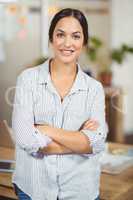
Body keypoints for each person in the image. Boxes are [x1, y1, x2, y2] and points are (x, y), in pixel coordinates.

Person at [12, 8, 107, 200]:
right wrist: (80, 142)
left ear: (84, 42)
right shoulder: (28, 79)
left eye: (76, 36)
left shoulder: (94, 89)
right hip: (34, 189)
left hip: (80, 191)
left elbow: (96, 141)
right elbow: (25, 139)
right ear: (51, 38)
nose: (67, 43)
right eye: (60, 35)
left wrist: (45, 129)